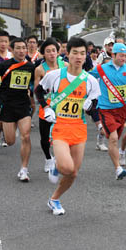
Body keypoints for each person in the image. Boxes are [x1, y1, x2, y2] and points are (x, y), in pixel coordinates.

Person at [35, 37, 100, 215]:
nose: (78, 57)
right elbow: (39, 91)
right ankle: (56, 164)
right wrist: (46, 107)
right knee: (67, 168)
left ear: (86, 56)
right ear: (67, 54)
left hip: (79, 128)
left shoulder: (90, 81)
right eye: (75, 53)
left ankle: (54, 199)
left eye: (82, 53)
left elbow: (95, 103)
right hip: (59, 127)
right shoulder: (55, 75)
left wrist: (90, 106)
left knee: (73, 173)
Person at [89, 43, 126, 180]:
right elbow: (86, 77)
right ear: (113, 55)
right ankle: (118, 168)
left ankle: (101, 135)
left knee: (114, 138)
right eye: (121, 55)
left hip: (122, 109)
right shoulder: (101, 68)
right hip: (106, 109)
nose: (124, 58)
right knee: (113, 138)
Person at [0, 38, 35, 181]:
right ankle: (3, 134)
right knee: (11, 141)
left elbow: (32, 84)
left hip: (23, 105)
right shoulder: (5, 65)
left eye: (23, 48)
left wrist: (31, 90)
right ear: (12, 50)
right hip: (7, 105)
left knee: (26, 136)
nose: (21, 51)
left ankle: (24, 169)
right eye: (18, 48)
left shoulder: (31, 67)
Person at [34, 38, 67, 172]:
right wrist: (44, 105)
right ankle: (48, 158)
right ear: (43, 54)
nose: (52, 54)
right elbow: (37, 90)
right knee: (45, 136)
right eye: (48, 51)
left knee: (63, 136)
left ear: (58, 52)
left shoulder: (65, 65)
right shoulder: (40, 69)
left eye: (54, 50)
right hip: (47, 106)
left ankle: (61, 158)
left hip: (63, 105)